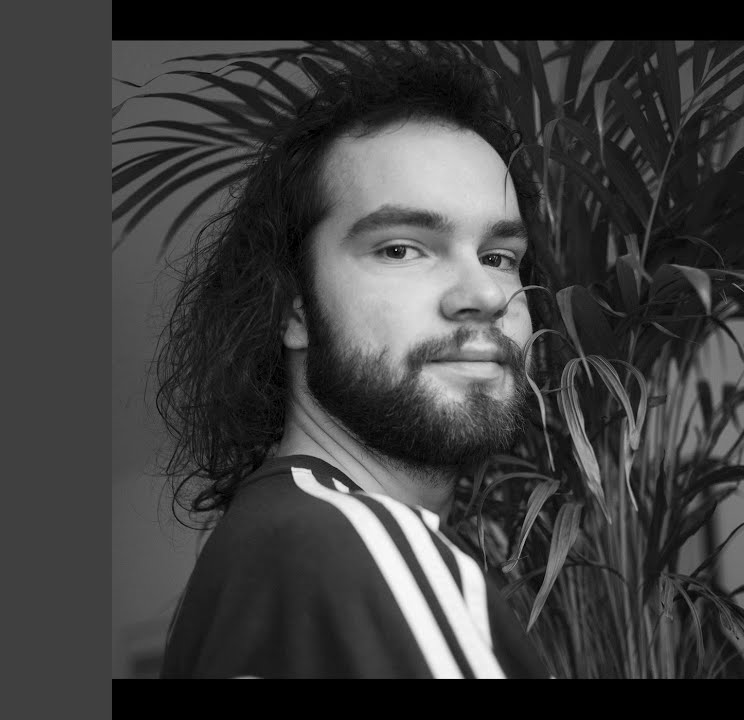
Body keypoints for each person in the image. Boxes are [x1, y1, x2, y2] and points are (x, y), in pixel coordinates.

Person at [154, 42, 556, 679]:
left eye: (499, 257)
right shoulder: (353, 547)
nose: (484, 295)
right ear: (293, 307)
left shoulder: (264, 550)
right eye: (400, 249)